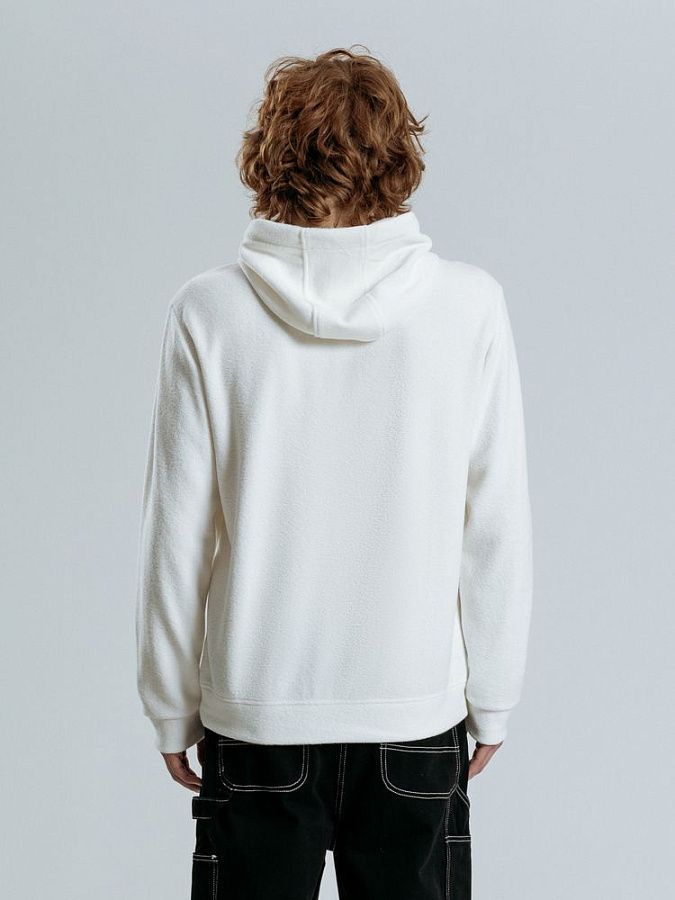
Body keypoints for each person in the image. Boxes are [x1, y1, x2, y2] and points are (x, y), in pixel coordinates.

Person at [135, 45, 533, 900]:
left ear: (269, 156)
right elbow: (494, 521)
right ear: (398, 157)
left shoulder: (209, 311)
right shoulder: (468, 305)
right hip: (413, 712)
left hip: (257, 712)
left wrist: (170, 703)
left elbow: (176, 533)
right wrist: (494, 694)